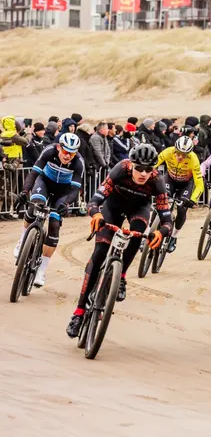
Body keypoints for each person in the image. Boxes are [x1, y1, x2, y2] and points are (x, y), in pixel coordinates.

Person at [65, 144, 172, 339]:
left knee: (137, 231)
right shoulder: (120, 169)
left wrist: (161, 233)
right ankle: (79, 313)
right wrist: (96, 214)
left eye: (148, 169)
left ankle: (121, 276)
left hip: (138, 209)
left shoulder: (157, 181)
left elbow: (166, 218)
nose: (143, 173)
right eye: (139, 168)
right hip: (112, 207)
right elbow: (94, 200)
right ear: (131, 165)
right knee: (98, 255)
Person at [13, 134, 83, 287]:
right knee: (35, 205)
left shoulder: (78, 162)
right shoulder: (49, 151)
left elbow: (75, 189)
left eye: (72, 153)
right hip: (44, 182)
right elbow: (33, 174)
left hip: (62, 191)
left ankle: (41, 271)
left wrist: (67, 203)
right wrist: (25, 191)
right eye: (65, 152)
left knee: (54, 225)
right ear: (59, 147)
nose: (68, 156)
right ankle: (22, 240)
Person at [155, 136, 205, 253]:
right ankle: (151, 229)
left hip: (186, 184)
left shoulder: (193, 159)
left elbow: (199, 184)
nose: (180, 157)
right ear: (175, 150)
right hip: (170, 179)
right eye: (178, 153)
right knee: (162, 199)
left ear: (189, 153)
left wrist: (193, 200)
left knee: (182, 209)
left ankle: (174, 237)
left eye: (184, 154)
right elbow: (153, 164)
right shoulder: (168, 151)